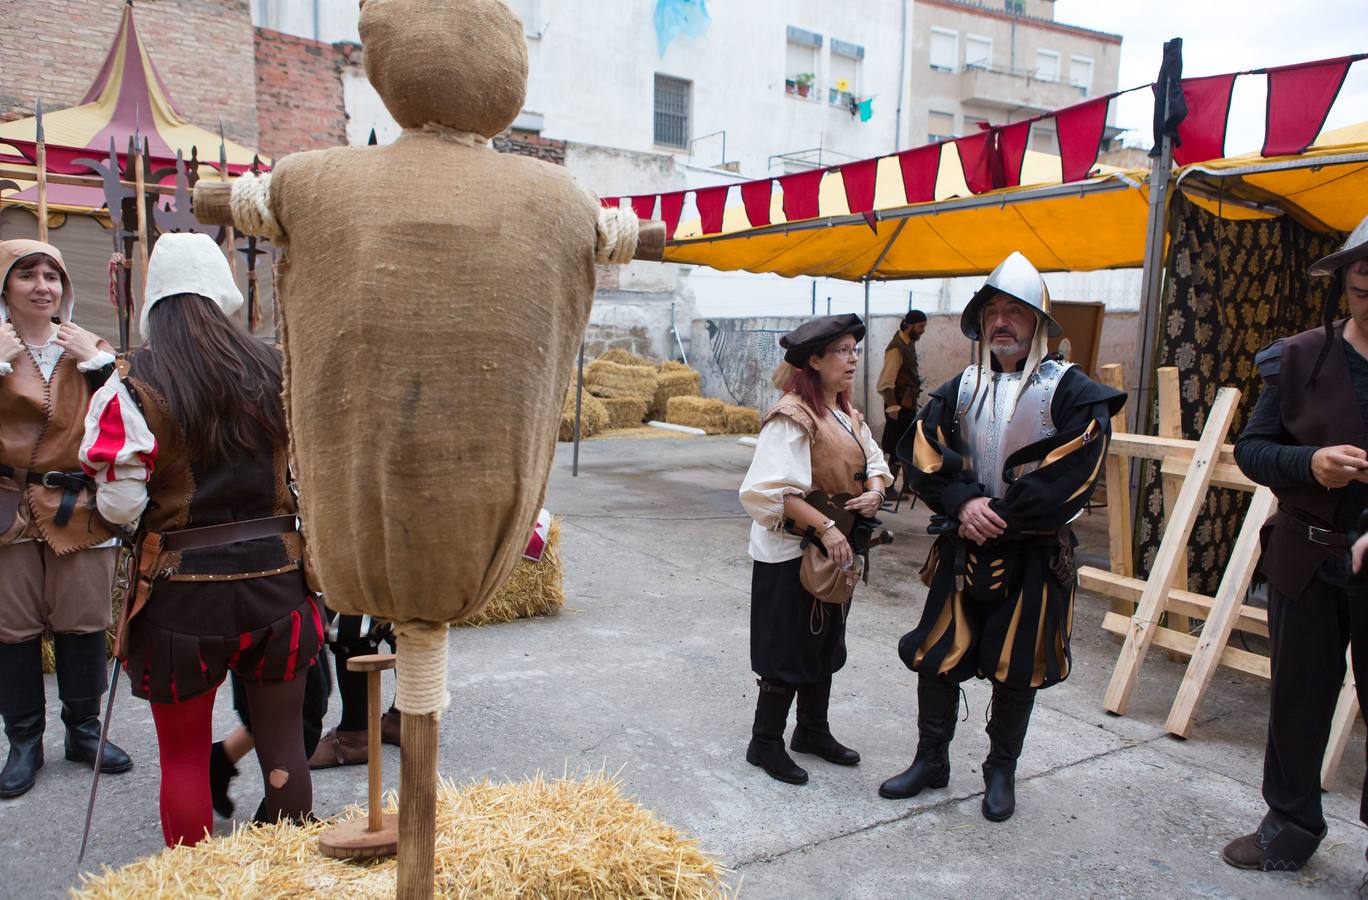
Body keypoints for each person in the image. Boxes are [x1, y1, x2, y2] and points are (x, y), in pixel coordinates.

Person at [79, 232, 323, 847]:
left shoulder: (128, 383)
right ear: (222, 293)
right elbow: (306, 474)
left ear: (153, 298)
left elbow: (121, 502)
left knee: (186, 759)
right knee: (283, 742)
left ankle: (194, 885)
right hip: (278, 586)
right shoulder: (275, 366)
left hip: (181, 599)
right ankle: (289, 875)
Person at [879, 252, 1122, 821]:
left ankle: (1000, 770)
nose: (1001, 322)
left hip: (1033, 553)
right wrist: (964, 502)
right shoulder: (958, 388)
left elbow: (1075, 468)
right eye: (992, 311)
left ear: (1039, 321)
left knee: (1018, 665)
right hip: (962, 547)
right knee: (938, 654)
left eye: (1015, 310)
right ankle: (931, 759)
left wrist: (1002, 515)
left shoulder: (1073, 392)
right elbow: (921, 454)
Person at [1222, 214, 1368, 872]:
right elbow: (1250, 450)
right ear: (1343, 283)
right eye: (1365, 280)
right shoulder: (1301, 356)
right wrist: (1308, 464)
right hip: (1305, 556)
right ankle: (1290, 825)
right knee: (1298, 699)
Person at [0, 239, 132, 799]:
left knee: (82, 622)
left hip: (76, 504)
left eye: (51, 275)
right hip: (10, 504)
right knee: (12, 630)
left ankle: (83, 731)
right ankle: (24, 742)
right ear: (5, 288)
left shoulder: (90, 346)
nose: (41, 286)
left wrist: (102, 369)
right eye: (26, 274)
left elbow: (127, 421)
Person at [739, 313, 891, 785]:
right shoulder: (791, 417)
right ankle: (764, 743)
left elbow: (876, 460)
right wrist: (826, 527)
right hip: (791, 553)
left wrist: (876, 490)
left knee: (824, 642)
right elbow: (768, 491)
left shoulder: (846, 413)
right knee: (785, 647)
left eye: (854, 350)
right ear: (815, 360)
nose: (853, 359)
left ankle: (811, 730)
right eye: (843, 351)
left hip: (833, 554)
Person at [877, 309, 927, 489]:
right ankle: (888, 487)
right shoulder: (896, 347)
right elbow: (885, 382)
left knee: (907, 443)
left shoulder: (908, 343)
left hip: (907, 403)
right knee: (893, 446)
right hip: (897, 405)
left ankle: (907, 485)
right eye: (920, 326)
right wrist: (893, 407)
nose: (922, 330)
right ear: (910, 325)